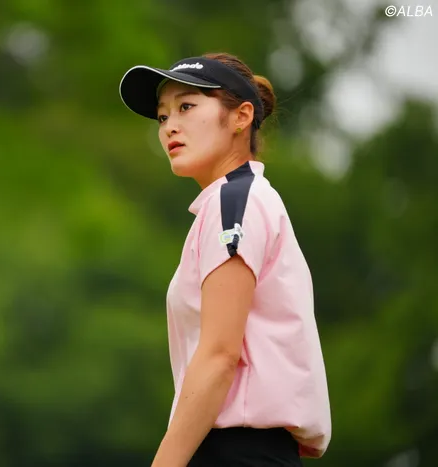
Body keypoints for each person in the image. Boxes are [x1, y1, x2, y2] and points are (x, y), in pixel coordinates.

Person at [118, 53, 332, 466]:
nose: (170, 126)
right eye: (162, 116)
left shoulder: (234, 201)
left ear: (241, 117)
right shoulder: (234, 201)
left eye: (186, 106)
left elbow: (219, 357)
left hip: (240, 451)